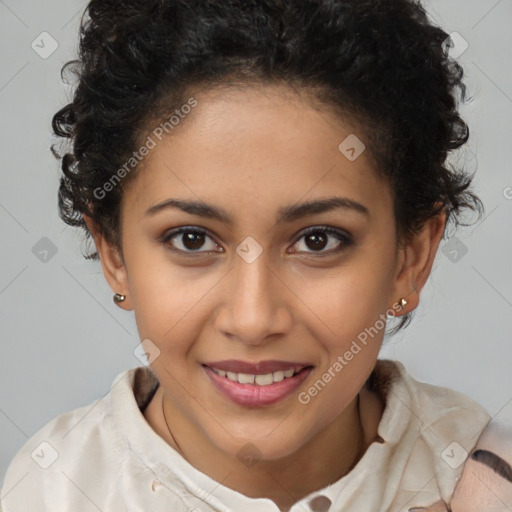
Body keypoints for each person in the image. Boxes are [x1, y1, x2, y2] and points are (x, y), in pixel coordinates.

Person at [1, 0, 509, 511]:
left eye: (317, 240)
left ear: (410, 257)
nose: (253, 319)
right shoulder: (51, 491)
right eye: (192, 240)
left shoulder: (479, 473)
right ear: (115, 254)